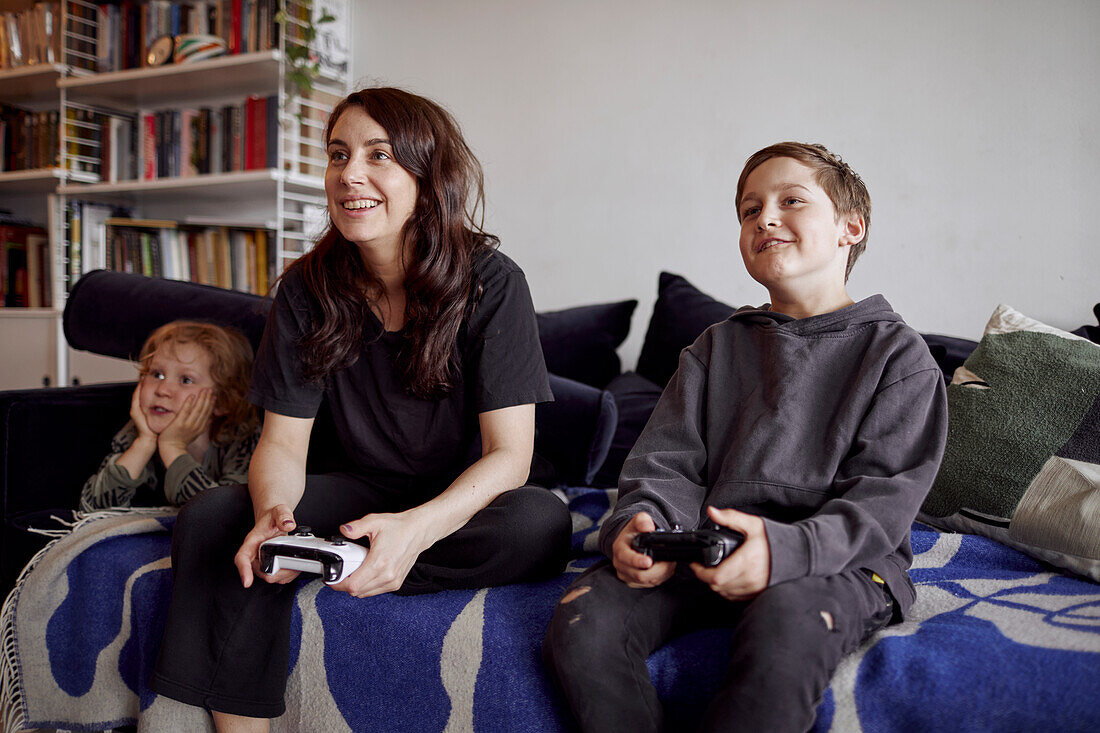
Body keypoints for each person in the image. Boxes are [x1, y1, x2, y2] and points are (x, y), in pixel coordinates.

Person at [149, 87, 572, 730]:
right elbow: (284, 444)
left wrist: (418, 529)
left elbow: (510, 457)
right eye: (338, 154)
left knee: (540, 524)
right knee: (214, 519)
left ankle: (356, 559)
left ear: (427, 178)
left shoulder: (493, 282)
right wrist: (274, 517)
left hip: (461, 502)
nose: (350, 175)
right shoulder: (304, 288)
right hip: (355, 495)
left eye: (379, 155)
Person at [543, 142, 949, 732]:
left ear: (850, 228)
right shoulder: (714, 348)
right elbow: (666, 465)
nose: (765, 218)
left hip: (836, 563)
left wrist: (785, 553)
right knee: (587, 618)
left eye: (792, 201)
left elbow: (880, 508)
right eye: (748, 210)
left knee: (788, 620)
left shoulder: (898, 356)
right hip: (707, 547)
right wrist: (642, 525)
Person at [79, 320, 260, 512]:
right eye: (157, 375)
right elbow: (93, 508)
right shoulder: (137, 431)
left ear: (223, 400)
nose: (163, 390)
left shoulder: (242, 440)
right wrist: (144, 443)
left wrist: (172, 447)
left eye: (186, 380)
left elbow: (220, 515)